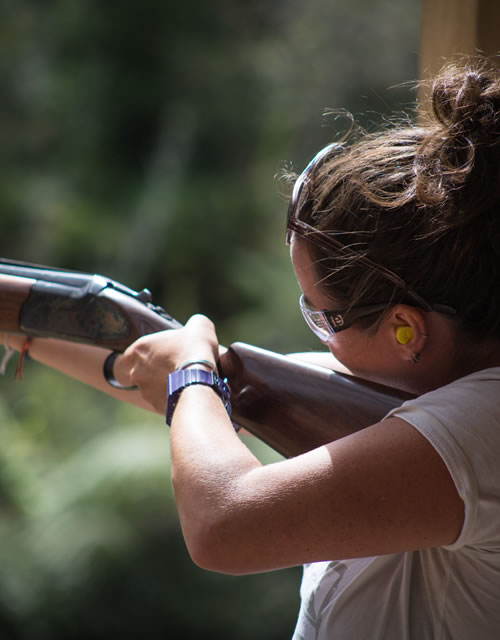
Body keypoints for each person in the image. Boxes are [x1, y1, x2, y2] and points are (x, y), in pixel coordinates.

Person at [3, 56, 500, 637]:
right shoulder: (439, 399)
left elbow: (224, 523)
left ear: (405, 330)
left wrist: (190, 371)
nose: (316, 331)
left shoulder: (480, 426)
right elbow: (208, 401)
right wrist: (27, 328)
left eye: (321, 315)